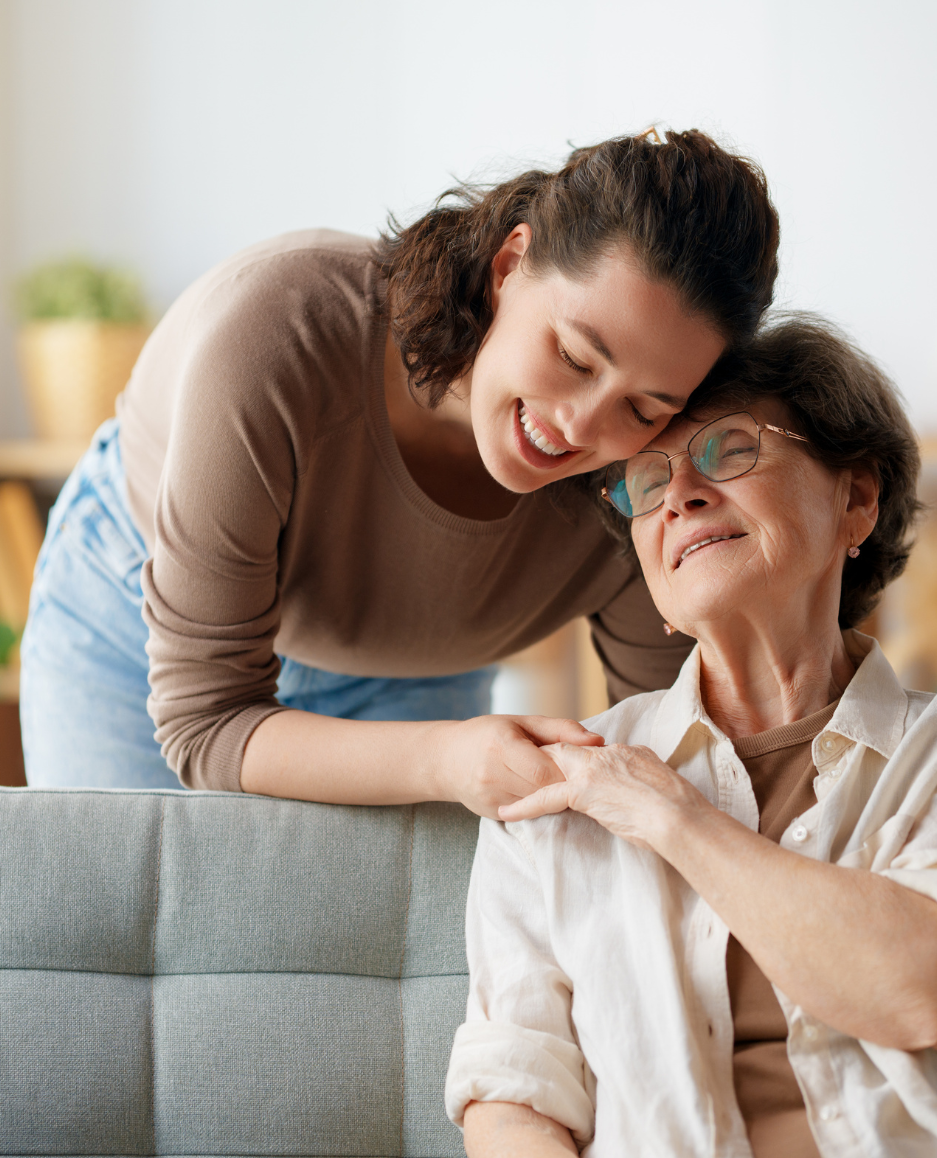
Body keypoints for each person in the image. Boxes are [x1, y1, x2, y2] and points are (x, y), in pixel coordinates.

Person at [20, 130, 779, 815]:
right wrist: (442, 758)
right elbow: (206, 723)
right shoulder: (278, 332)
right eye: (575, 357)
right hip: (143, 625)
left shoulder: (642, 474)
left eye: (643, 407)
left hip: (415, 675)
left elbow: (669, 747)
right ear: (508, 265)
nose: (583, 427)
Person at [446, 316, 937, 1158]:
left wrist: (675, 818)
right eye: (646, 481)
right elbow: (509, 1114)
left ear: (856, 500)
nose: (680, 496)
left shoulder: (927, 763)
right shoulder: (556, 789)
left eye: (728, 448)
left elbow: (915, 984)